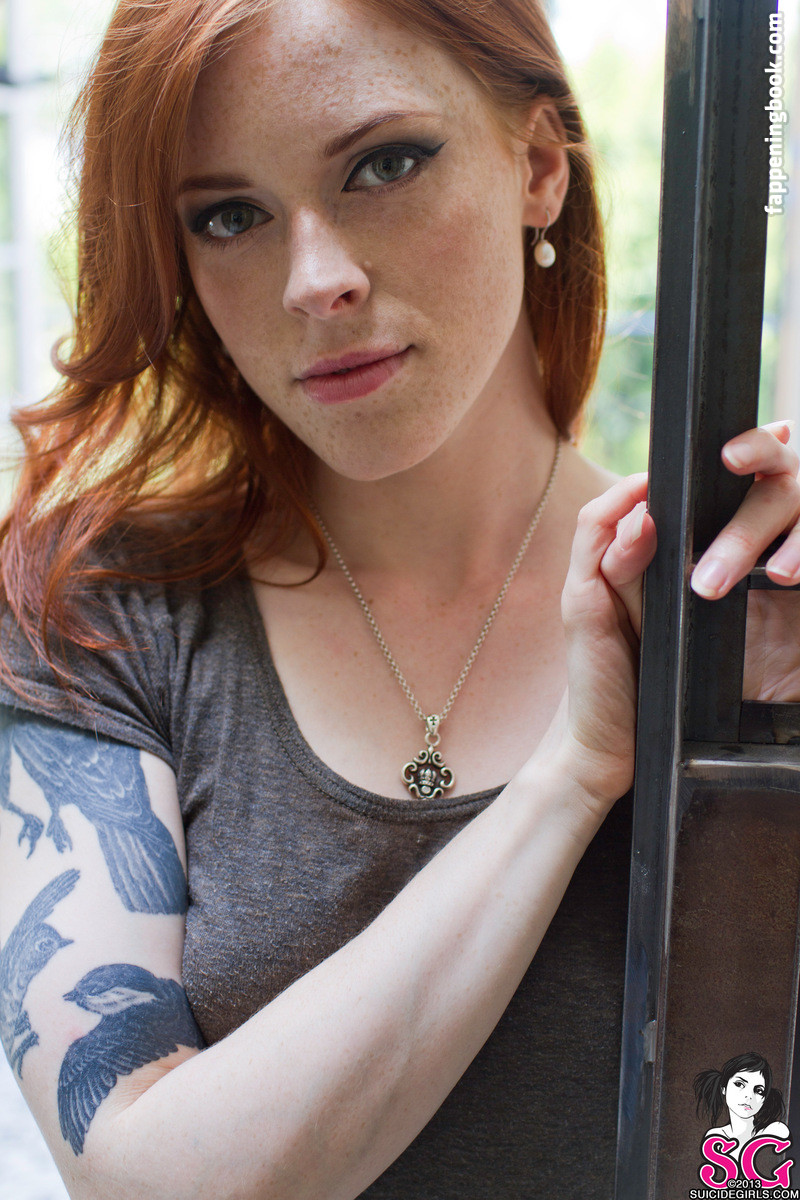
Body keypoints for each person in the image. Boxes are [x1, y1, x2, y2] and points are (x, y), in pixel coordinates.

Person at [0, 0, 798, 1195]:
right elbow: (141, 1178)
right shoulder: (98, 612)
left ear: (538, 166)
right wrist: (569, 778)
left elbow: (750, 1145)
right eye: (229, 216)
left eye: (383, 165)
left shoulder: (742, 600)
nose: (316, 280)